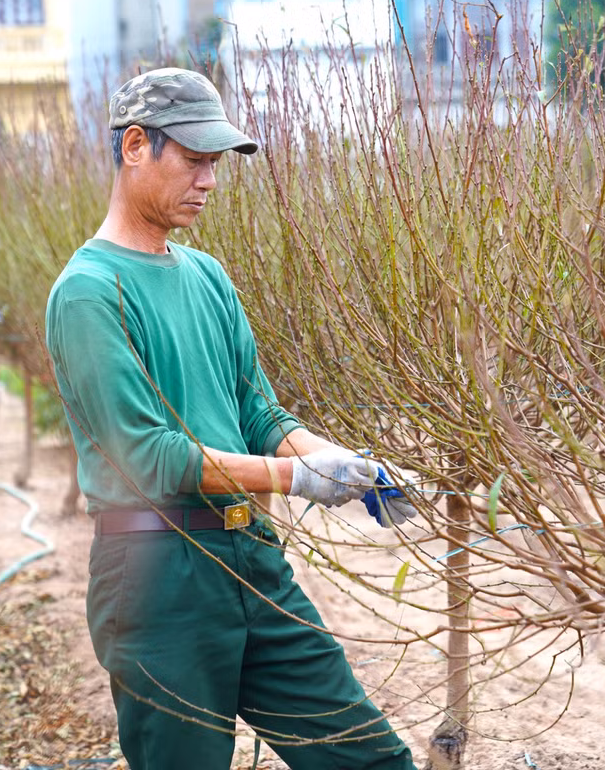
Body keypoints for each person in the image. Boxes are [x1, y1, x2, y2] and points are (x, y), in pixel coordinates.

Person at [44, 67, 418, 770]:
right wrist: (293, 476)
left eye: (215, 164)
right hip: (157, 578)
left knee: (369, 759)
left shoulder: (208, 276)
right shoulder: (88, 294)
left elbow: (257, 409)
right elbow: (149, 456)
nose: (209, 180)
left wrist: (344, 463)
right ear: (134, 147)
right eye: (193, 160)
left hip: (251, 558)